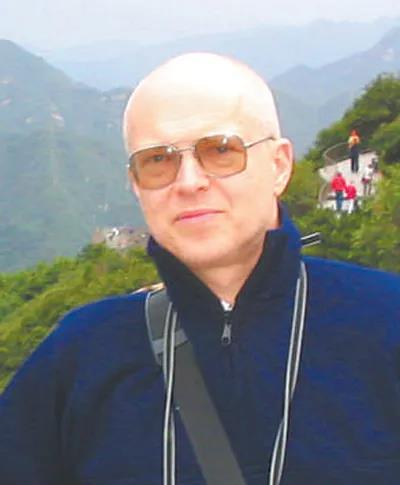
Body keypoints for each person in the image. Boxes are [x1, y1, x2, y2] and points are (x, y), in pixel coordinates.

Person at [0, 53, 400, 485]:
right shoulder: (80, 354)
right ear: (135, 184)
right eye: (158, 160)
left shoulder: (385, 322)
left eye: (221, 150)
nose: (189, 182)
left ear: (279, 165)